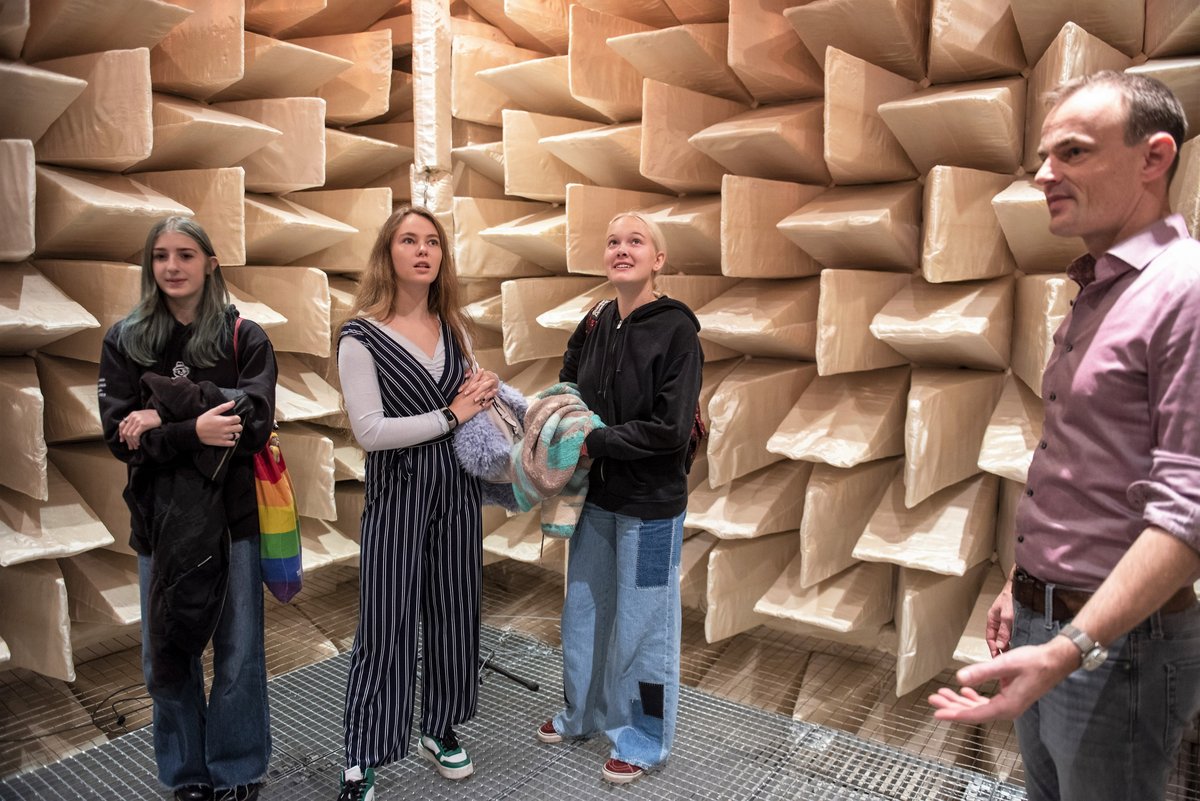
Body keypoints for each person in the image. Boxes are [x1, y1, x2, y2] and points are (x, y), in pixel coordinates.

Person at [928, 71, 1200, 801]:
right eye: (1044, 156)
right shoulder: (1099, 287)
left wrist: (1071, 645)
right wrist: (1024, 586)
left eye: (1073, 153)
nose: (1045, 174)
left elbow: (1188, 511)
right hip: (1049, 626)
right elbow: (1081, 464)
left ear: (1155, 157)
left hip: (1117, 646)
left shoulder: (1186, 291)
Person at [99, 217, 277, 801]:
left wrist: (167, 417)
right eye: (160, 256)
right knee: (166, 658)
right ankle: (187, 775)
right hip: (160, 525)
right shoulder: (125, 339)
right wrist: (193, 428)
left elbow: (252, 423)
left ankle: (237, 769)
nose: (172, 267)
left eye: (185, 255)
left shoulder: (243, 337)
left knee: (238, 654)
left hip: (233, 524)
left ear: (211, 263)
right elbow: (116, 436)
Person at [335, 205, 498, 800]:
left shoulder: (456, 328)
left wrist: (480, 390)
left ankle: (440, 727)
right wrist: (453, 413)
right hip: (397, 497)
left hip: (456, 494)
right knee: (386, 624)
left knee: (456, 614)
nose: (423, 251)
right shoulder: (360, 336)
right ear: (389, 253)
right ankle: (363, 753)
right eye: (410, 240)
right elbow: (370, 432)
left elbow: (473, 399)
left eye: (433, 242)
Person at [535, 211, 703, 784]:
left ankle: (643, 738)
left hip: (652, 509)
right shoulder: (595, 322)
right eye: (612, 241)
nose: (622, 249)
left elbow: (670, 429)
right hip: (597, 500)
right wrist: (564, 430)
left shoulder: (678, 330)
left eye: (636, 241)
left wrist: (595, 440)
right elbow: (567, 387)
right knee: (584, 614)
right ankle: (582, 714)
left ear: (658, 259)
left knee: (646, 629)